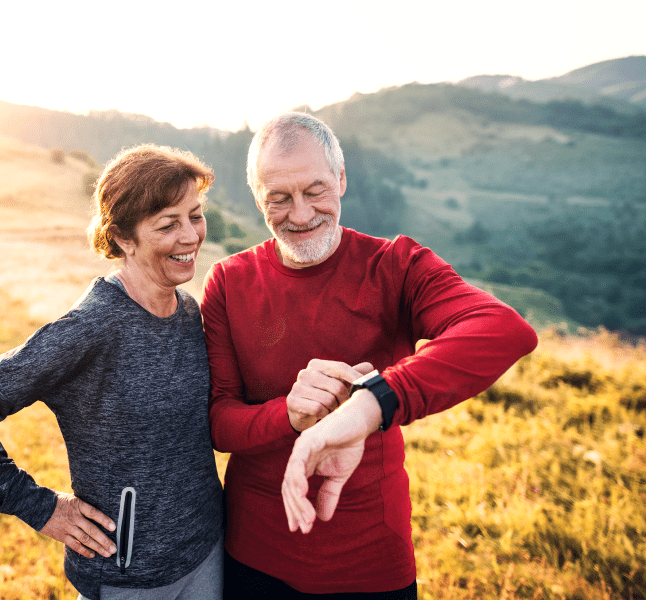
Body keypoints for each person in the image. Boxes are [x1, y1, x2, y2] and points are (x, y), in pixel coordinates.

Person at [200, 112, 538, 598]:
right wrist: (290, 416)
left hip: (370, 561)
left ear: (341, 179)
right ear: (258, 198)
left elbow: (503, 330)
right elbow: (220, 422)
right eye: (279, 198)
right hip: (253, 554)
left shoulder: (397, 265)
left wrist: (371, 402)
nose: (299, 214)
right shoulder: (229, 281)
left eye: (315, 190)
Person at [0, 144, 224, 600]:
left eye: (195, 216)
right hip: (126, 581)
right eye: (168, 224)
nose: (191, 236)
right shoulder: (90, 328)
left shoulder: (187, 312)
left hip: (208, 556)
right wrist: (41, 508)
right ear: (124, 238)